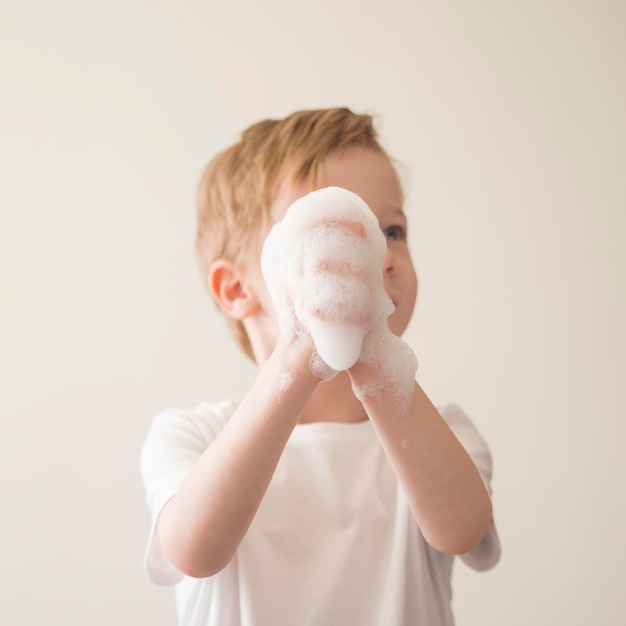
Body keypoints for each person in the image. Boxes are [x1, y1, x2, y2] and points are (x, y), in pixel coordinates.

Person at [141, 107, 501, 626]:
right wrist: (301, 360)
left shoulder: (443, 434)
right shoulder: (191, 436)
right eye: (338, 236)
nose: (379, 256)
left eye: (391, 231)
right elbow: (193, 551)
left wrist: (379, 365)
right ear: (238, 289)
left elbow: (463, 529)